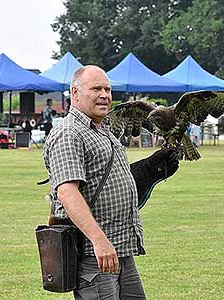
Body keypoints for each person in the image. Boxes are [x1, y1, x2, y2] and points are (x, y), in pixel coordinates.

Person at [43, 65, 179, 299]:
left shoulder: (102, 131)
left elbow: (110, 183)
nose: (104, 95)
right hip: (95, 255)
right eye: (96, 88)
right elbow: (67, 192)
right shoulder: (69, 133)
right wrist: (99, 241)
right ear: (75, 93)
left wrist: (150, 170)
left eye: (107, 89)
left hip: (119, 250)